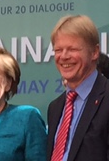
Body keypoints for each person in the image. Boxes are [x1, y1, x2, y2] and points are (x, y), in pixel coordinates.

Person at [47, 15, 109, 161]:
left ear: (94, 52)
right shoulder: (55, 108)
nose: (64, 56)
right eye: (58, 50)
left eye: (72, 49)